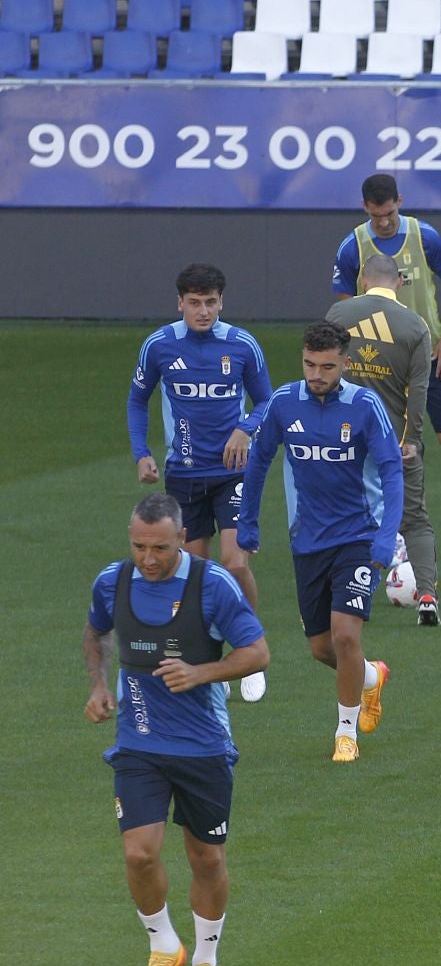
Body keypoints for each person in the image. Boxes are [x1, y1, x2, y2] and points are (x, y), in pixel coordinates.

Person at [84, 493, 270, 966]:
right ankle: (163, 947)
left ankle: (206, 964)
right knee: (139, 854)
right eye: (139, 546)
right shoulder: (113, 582)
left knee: (206, 858)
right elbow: (96, 632)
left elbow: (258, 652)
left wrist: (202, 672)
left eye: (159, 548)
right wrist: (99, 686)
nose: (148, 558)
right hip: (139, 744)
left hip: (203, 746)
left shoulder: (212, 585)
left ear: (181, 539)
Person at [238, 321, 402, 763]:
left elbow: (391, 469)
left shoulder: (366, 406)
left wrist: (386, 536)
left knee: (346, 635)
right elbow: (258, 464)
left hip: (357, 537)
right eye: (310, 364)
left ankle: (344, 732)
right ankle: (371, 678)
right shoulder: (283, 404)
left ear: (344, 364)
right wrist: (246, 524)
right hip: (307, 541)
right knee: (321, 648)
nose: (317, 374)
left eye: (327, 366)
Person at [127, 263, 273, 703]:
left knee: (235, 564)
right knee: (193, 575)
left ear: (221, 302)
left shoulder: (243, 345)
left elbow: (267, 399)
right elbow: (137, 399)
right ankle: (213, 663)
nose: (203, 311)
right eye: (194, 303)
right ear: (180, 303)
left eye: (210, 302)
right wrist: (142, 452)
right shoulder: (159, 346)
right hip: (184, 475)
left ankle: (251, 649)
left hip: (233, 474)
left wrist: (245, 428)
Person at [327, 251, 441, 625]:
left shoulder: (338, 316)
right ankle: (426, 595)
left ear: (362, 280)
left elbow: (324, 380)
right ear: (400, 283)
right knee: (414, 520)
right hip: (393, 439)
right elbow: (419, 391)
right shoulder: (415, 326)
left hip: (343, 441)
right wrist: (411, 439)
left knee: (340, 516)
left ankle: (339, 600)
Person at [331, 174, 441, 450]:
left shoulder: (424, 237)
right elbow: (346, 307)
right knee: (388, 437)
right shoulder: (352, 247)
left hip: (428, 350)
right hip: (380, 356)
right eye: (376, 214)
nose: (383, 222)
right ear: (364, 207)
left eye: (389, 213)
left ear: (400, 201)